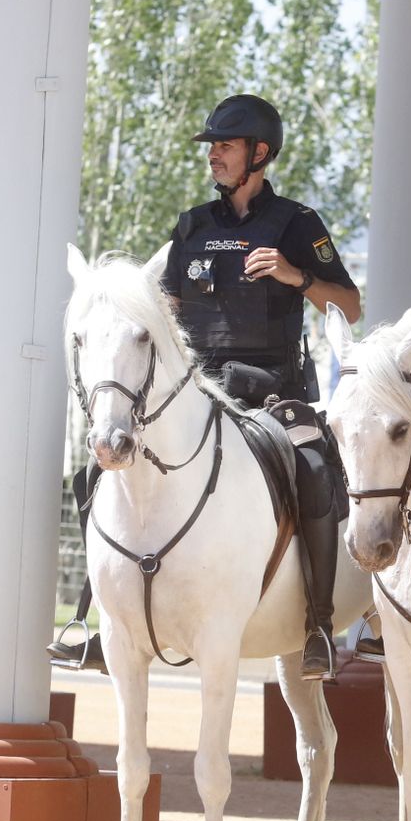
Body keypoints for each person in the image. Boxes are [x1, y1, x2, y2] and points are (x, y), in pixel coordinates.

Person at [49, 94, 362, 680]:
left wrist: (295, 275)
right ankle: (97, 619)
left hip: (272, 390)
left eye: (226, 145)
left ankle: (318, 625)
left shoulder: (297, 223)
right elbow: (163, 310)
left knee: (315, 466)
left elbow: (350, 304)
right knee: (95, 472)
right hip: (194, 390)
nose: (214, 155)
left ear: (259, 153)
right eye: (213, 146)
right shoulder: (191, 225)